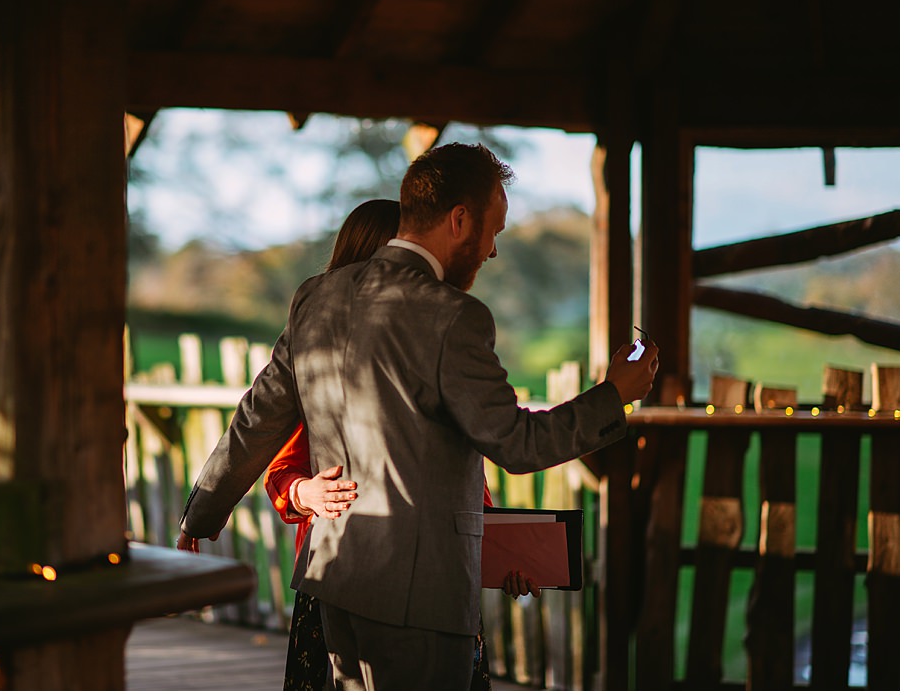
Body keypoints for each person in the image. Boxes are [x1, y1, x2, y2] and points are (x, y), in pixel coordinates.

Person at [179, 142, 659, 690]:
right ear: (459, 220)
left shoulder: (317, 297)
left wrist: (201, 515)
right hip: (421, 601)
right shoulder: (455, 316)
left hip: (332, 583)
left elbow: (256, 419)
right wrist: (613, 395)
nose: (493, 251)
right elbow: (518, 444)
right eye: (493, 230)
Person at [261, 198, 533, 690]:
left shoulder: (432, 351)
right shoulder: (329, 368)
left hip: (435, 585)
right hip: (338, 578)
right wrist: (304, 493)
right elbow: (279, 468)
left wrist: (505, 553)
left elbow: (462, 481)